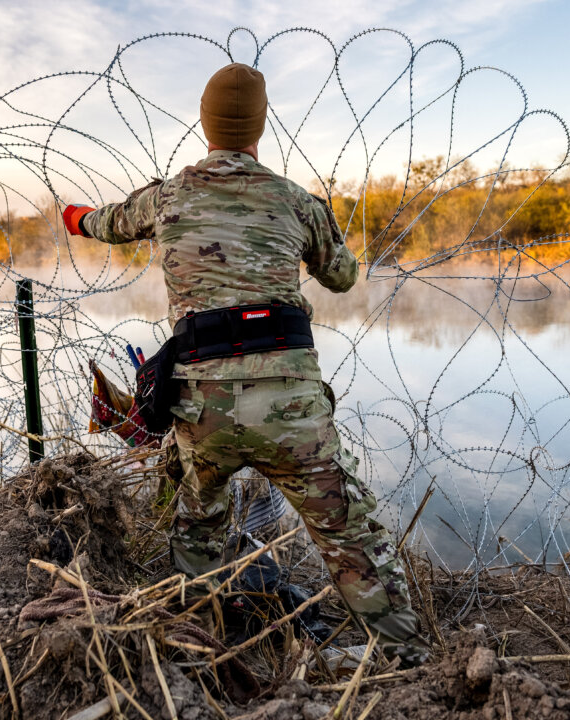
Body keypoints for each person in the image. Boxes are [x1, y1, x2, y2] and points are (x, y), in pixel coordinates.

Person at [62, 63, 429, 665]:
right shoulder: (296, 201)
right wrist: (322, 231)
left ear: (205, 124)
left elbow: (104, 223)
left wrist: (73, 216)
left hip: (203, 406)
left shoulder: (168, 196)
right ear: (260, 126)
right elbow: (341, 277)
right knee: (346, 532)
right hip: (291, 408)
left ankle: (196, 647)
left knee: (199, 520)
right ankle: (407, 659)